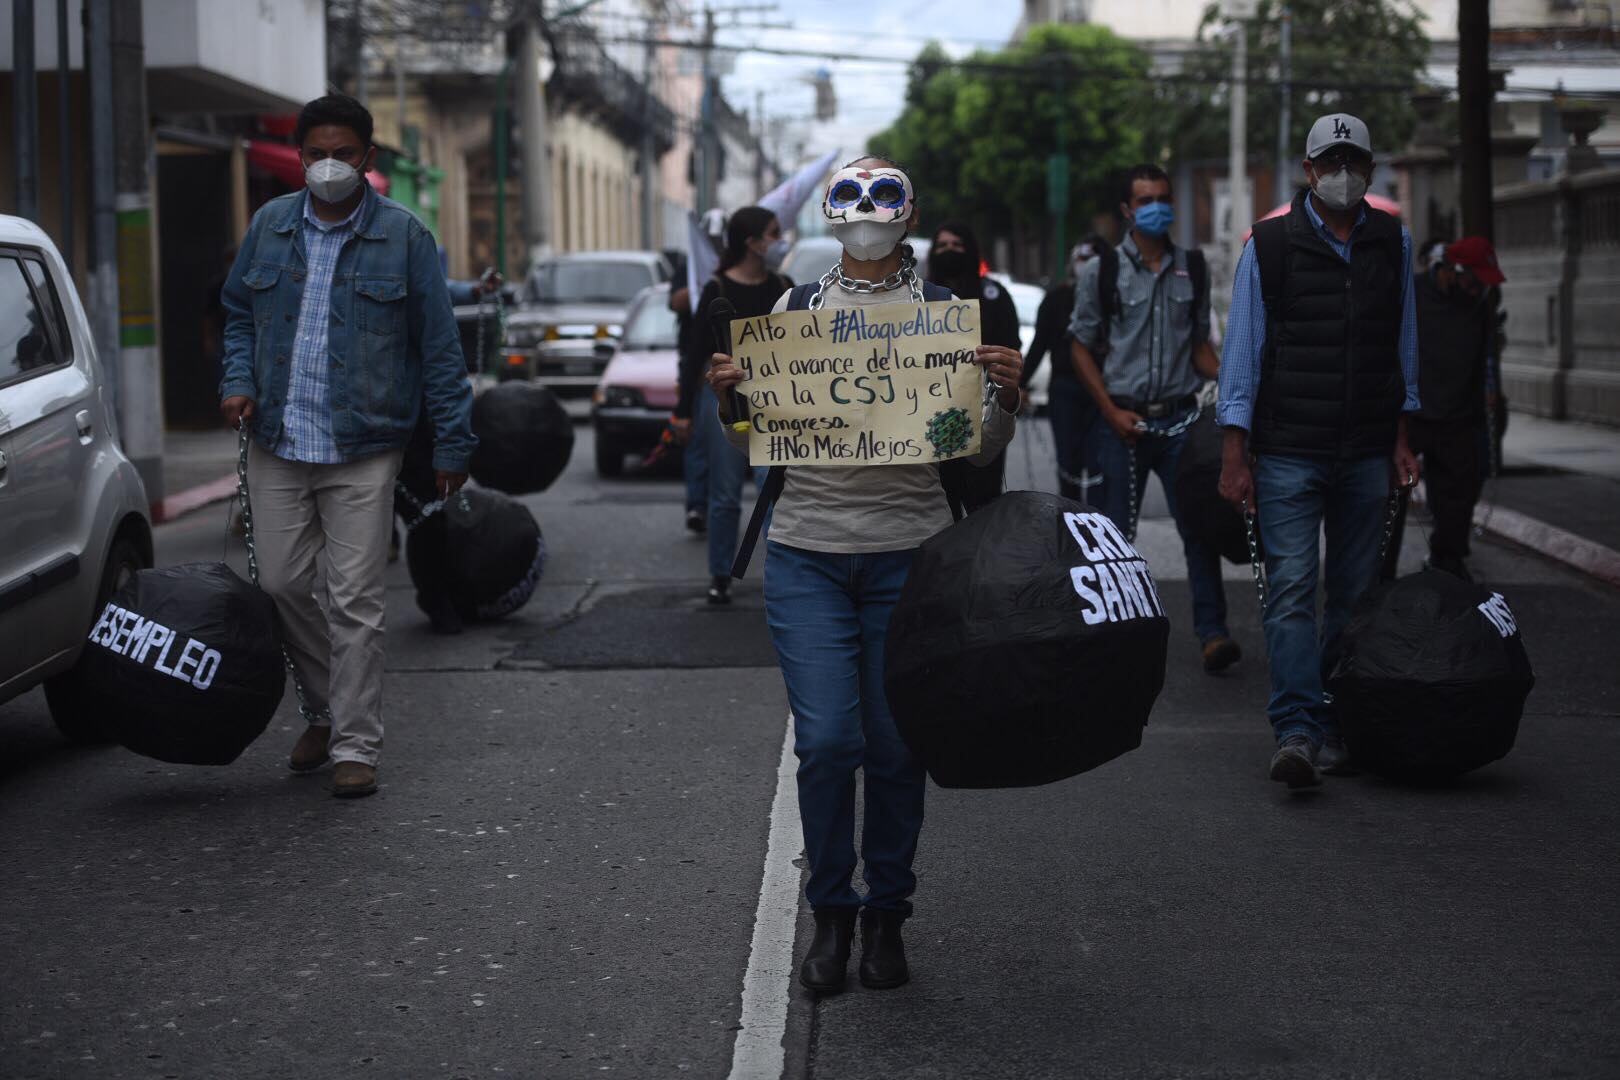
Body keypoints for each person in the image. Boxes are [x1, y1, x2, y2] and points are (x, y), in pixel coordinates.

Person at [708, 156, 1023, 993]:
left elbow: (977, 448)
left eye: (884, 194)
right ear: (829, 210)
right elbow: (757, 440)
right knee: (827, 743)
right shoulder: (794, 310)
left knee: (893, 749)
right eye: (850, 194)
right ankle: (831, 917)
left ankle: (888, 915)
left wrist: (1006, 401)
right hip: (807, 551)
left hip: (910, 555)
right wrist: (731, 402)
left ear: (910, 212)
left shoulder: (945, 316)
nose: (867, 209)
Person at [220, 94, 475, 798]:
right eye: (316, 153)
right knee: (278, 584)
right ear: (301, 156)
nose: (328, 165)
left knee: (356, 598)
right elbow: (239, 313)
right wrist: (237, 379)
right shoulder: (271, 226)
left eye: (343, 153)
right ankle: (328, 710)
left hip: (365, 446)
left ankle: (354, 745)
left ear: (366, 158)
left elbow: (440, 350)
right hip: (278, 439)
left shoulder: (405, 237)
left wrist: (454, 441)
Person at [1217, 113, 1422, 791]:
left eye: (1352, 160)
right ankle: (1297, 730)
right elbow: (1241, 358)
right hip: (1288, 454)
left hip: (1366, 450)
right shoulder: (1269, 247)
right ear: (1308, 171)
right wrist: (1234, 454)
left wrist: (1401, 438)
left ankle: (1339, 718)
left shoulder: (1392, 242)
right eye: (1329, 161)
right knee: (1294, 593)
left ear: (1370, 168)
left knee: (1357, 597)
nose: (1341, 172)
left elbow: (1405, 349)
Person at [1069, 164, 1237, 674]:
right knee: (1116, 536)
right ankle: (1113, 638)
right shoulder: (1103, 272)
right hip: (1121, 420)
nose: (1156, 207)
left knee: (1199, 528)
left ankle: (1213, 634)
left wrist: (1235, 380)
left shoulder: (1193, 266)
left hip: (1181, 424)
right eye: (1145, 200)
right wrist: (1110, 411)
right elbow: (1079, 346)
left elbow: (1199, 351)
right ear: (1127, 210)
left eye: (1163, 197)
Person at [676, 207, 793, 604]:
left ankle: (783, 572)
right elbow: (695, 353)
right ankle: (721, 574)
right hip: (724, 400)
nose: (781, 239)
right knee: (724, 493)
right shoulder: (717, 289)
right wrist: (683, 410)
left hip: (776, 403)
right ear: (752, 242)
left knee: (773, 488)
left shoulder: (784, 285)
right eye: (775, 233)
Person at [1409, 236, 1504, 580]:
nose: (1477, 289)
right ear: (1451, 271)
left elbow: (1485, 355)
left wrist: (1489, 392)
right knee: (1387, 496)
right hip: (1414, 413)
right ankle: (1379, 571)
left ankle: (1447, 560)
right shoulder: (1413, 295)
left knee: (1457, 496)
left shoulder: (1478, 308)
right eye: (1473, 281)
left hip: (1459, 413)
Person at [925, 221, 1020, 509]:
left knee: (984, 500)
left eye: (956, 246)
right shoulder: (919, 300)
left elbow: (1011, 347)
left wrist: (1011, 389)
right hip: (931, 414)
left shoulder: (995, 294)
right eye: (942, 246)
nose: (949, 252)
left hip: (985, 411)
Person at [1022, 236, 1107, 500]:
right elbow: (1039, 345)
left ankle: (1097, 525)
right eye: (1081, 259)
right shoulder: (1057, 299)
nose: (1086, 265)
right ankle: (1071, 524)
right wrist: (1019, 385)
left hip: (1105, 392)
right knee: (1068, 463)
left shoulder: (1113, 298)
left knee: (1099, 464)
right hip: (1065, 390)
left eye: (1092, 259)